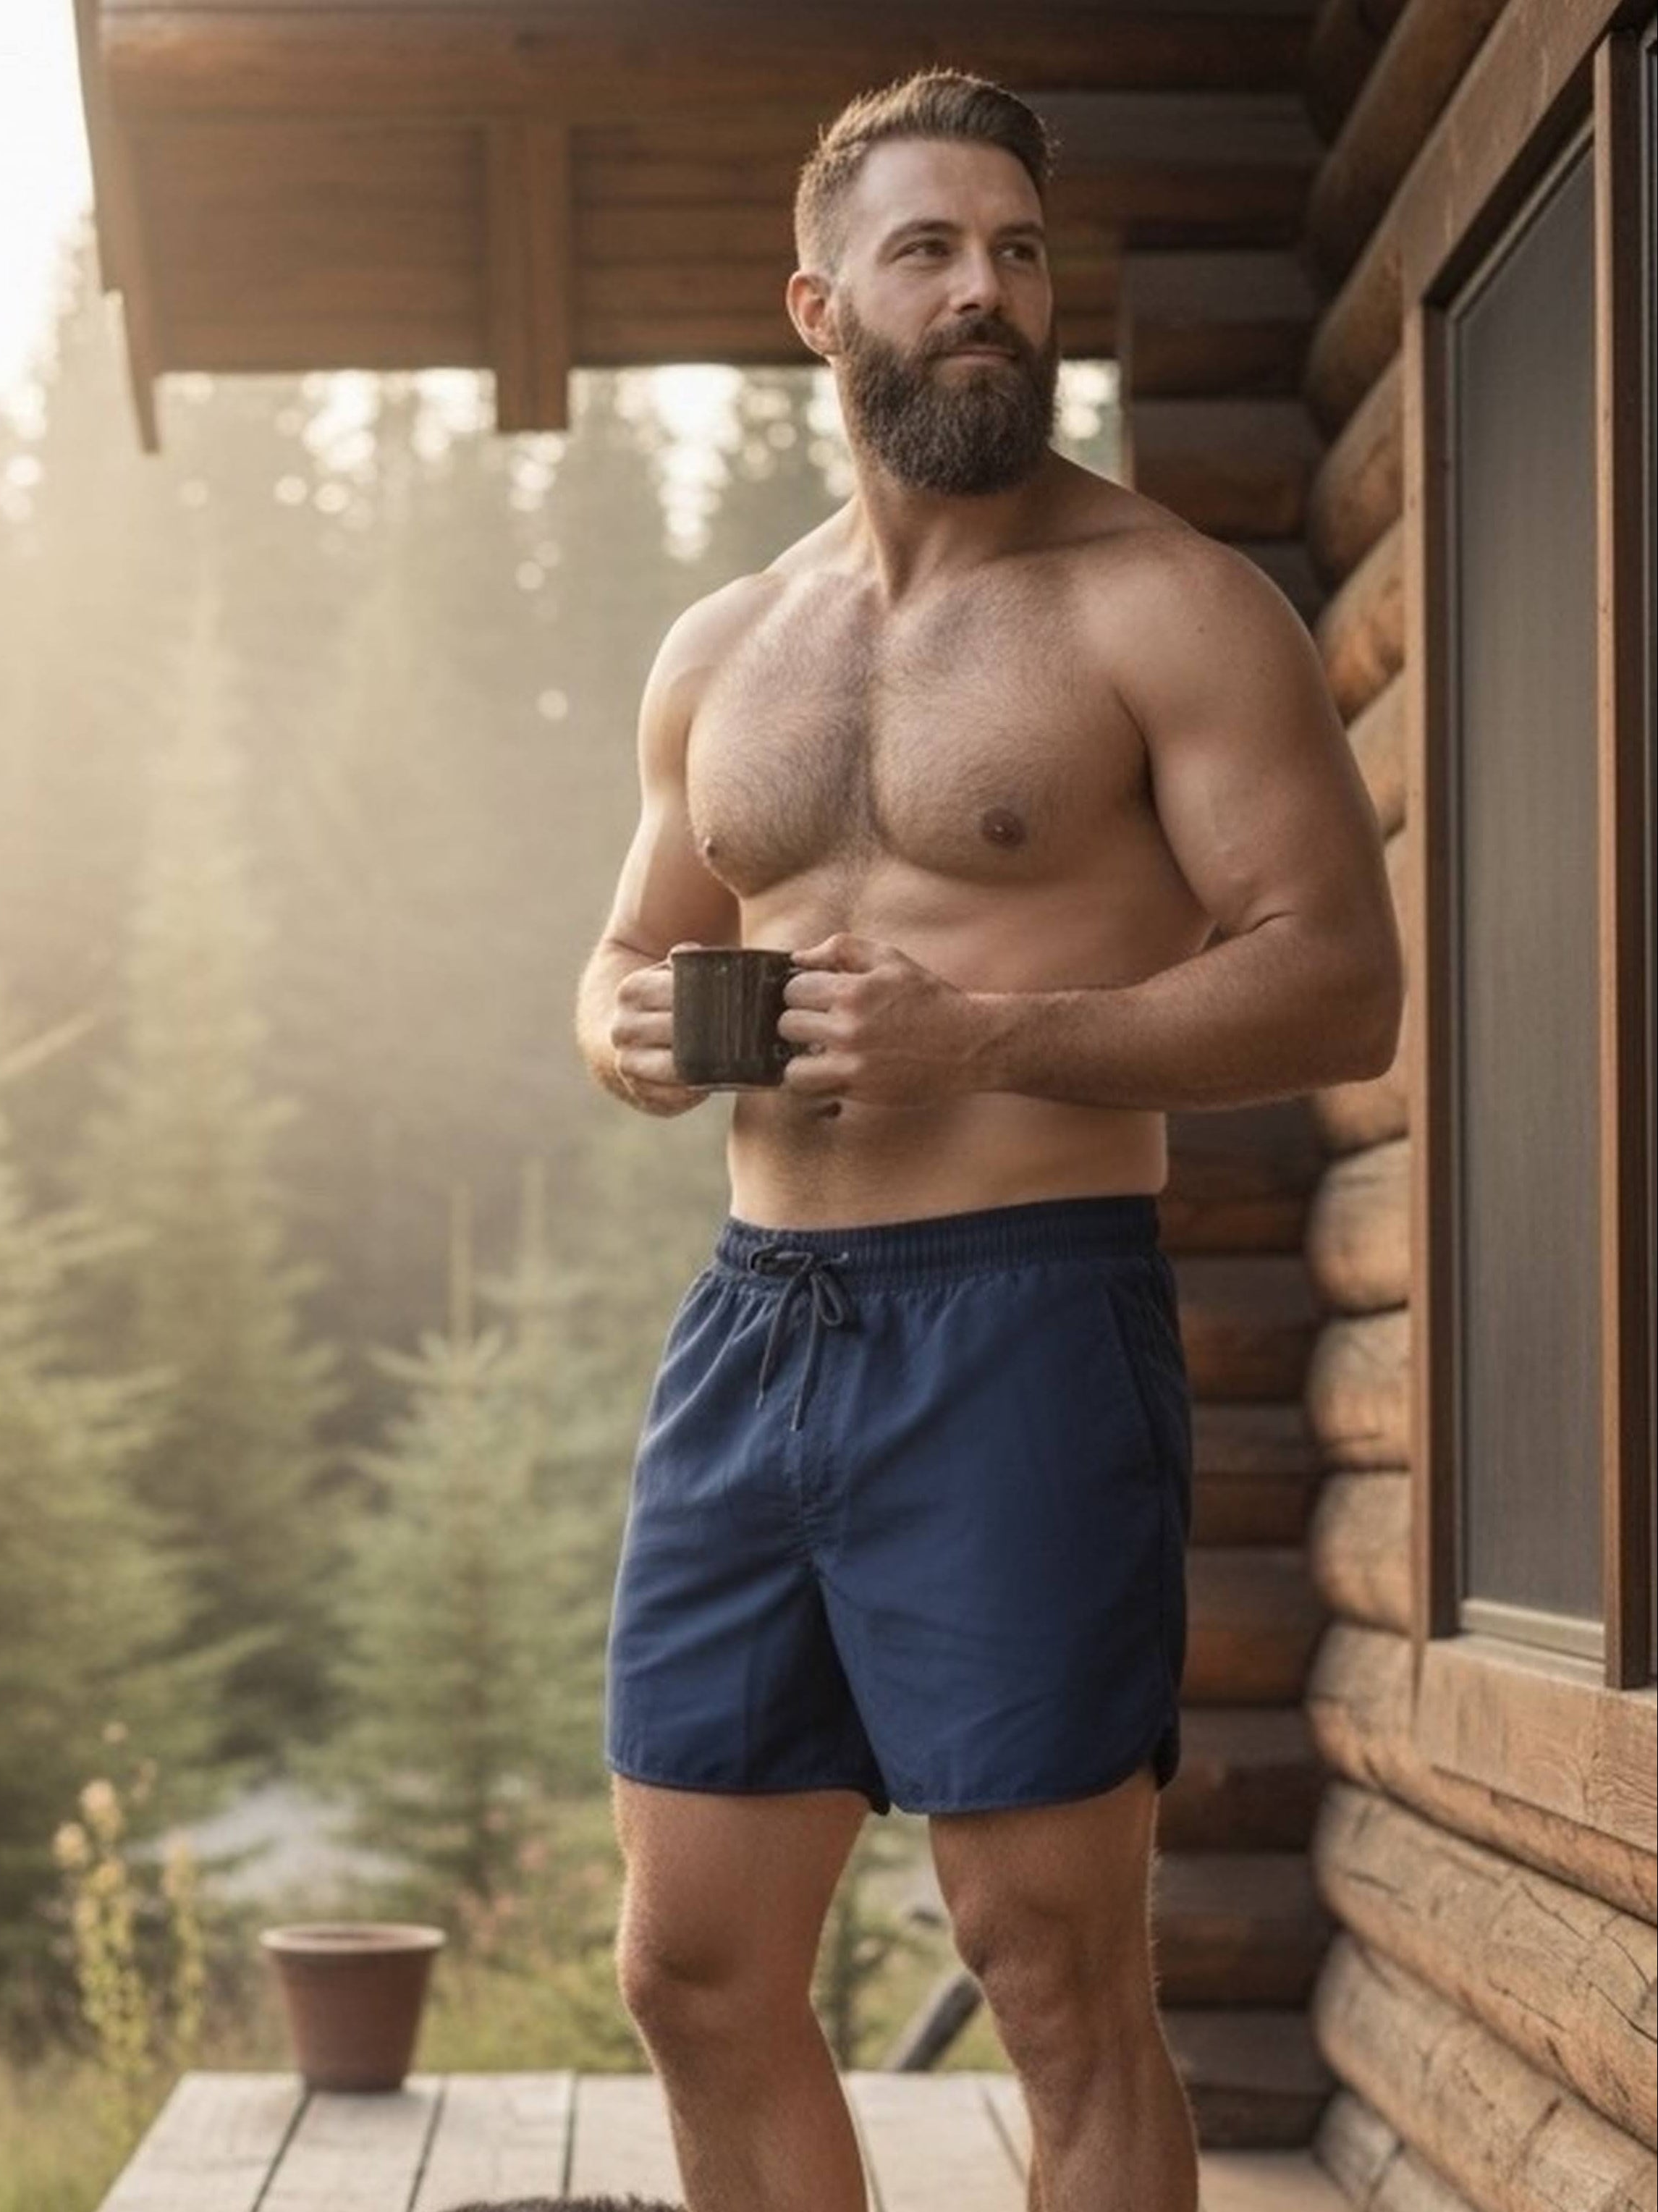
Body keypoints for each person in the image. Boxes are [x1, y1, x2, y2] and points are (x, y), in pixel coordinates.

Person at [571, 67, 1403, 2212]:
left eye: (1021, 254)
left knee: (1050, 1974)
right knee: (691, 1968)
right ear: (817, 305)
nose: (988, 295)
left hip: (1023, 1322)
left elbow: (1339, 978)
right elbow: (620, 961)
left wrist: (989, 1036)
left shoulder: (1168, 603)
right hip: (755, 1332)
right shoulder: (723, 648)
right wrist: (632, 1036)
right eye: (931, 254)